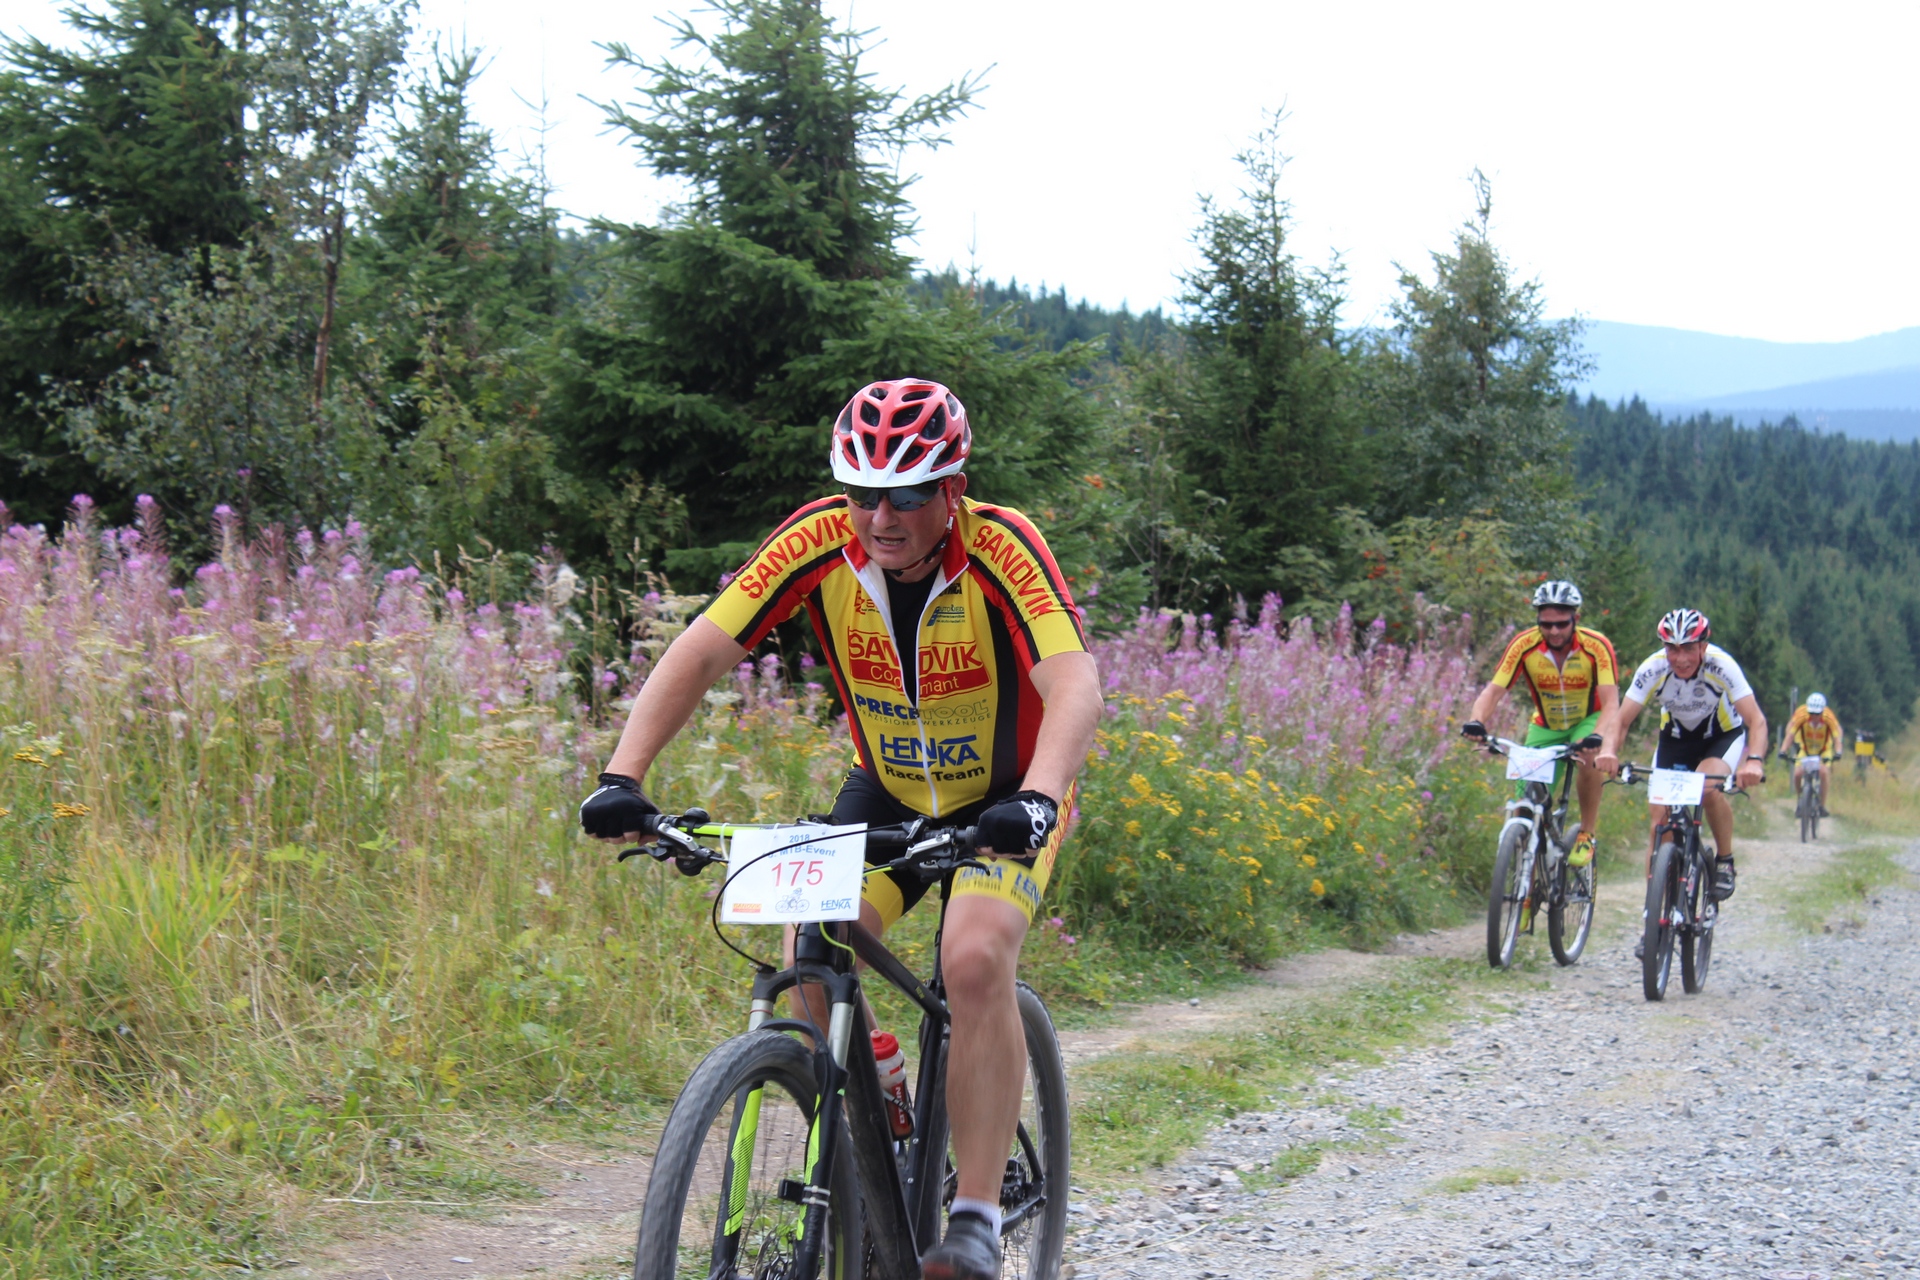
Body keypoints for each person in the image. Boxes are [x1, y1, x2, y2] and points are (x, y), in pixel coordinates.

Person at [578, 378, 1103, 1280]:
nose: (880, 517)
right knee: (812, 938)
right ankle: (879, 1119)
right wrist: (622, 776)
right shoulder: (817, 541)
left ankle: (975, 1220)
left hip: (1006, 798)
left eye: (907, 494)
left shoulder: (1001, 546)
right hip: (889, 791)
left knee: (974, 956)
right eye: (863, 493)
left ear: (951, 489)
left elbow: (1074, 682)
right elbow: (703, 648)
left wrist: (1041, 798)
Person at [1598, 609, 1768, 943]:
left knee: (1706, 788)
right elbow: (1621, 720)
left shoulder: (1722, 666)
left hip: (1720, 738)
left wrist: (1755, 762)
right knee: (1658, 822)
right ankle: (1654, 917)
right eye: (1672, 649)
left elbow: (1757, 721)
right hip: (1675, 741)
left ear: (1703, 646)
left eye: (1688, 648)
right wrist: (1609, 751)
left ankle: (1725, 860)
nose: (1680, 658)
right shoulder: (1654, 668)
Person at [1460, 580, 1619, 868]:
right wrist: (1477, 721)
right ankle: (1526, 882)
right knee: (1525, 804)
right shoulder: (1524, 645)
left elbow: (1611, 702)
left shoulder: (1596, 646)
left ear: (1576, 619)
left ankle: (1586, 833)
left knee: (1589, 757)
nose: (1554, 631)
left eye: (1561, 624)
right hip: (1546, 726)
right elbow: (1493, 691)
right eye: (1546, 624)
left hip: (1588, 720)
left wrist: (1597, 735)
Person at [1778, 691, 1842, 816]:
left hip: (1823, 750)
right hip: (1806, 750)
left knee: (1824, 773)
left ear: (1822, 712)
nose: (1814, 717)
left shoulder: (1829, 718)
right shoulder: (1801, 716)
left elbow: (1837, 738)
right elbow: (1790, 735)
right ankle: (1800, 800)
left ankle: (1822, 805)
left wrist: (1838, 751)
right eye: (1811, 713)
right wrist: (1783, 750)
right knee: (1797, 774)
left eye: (1817, 714)